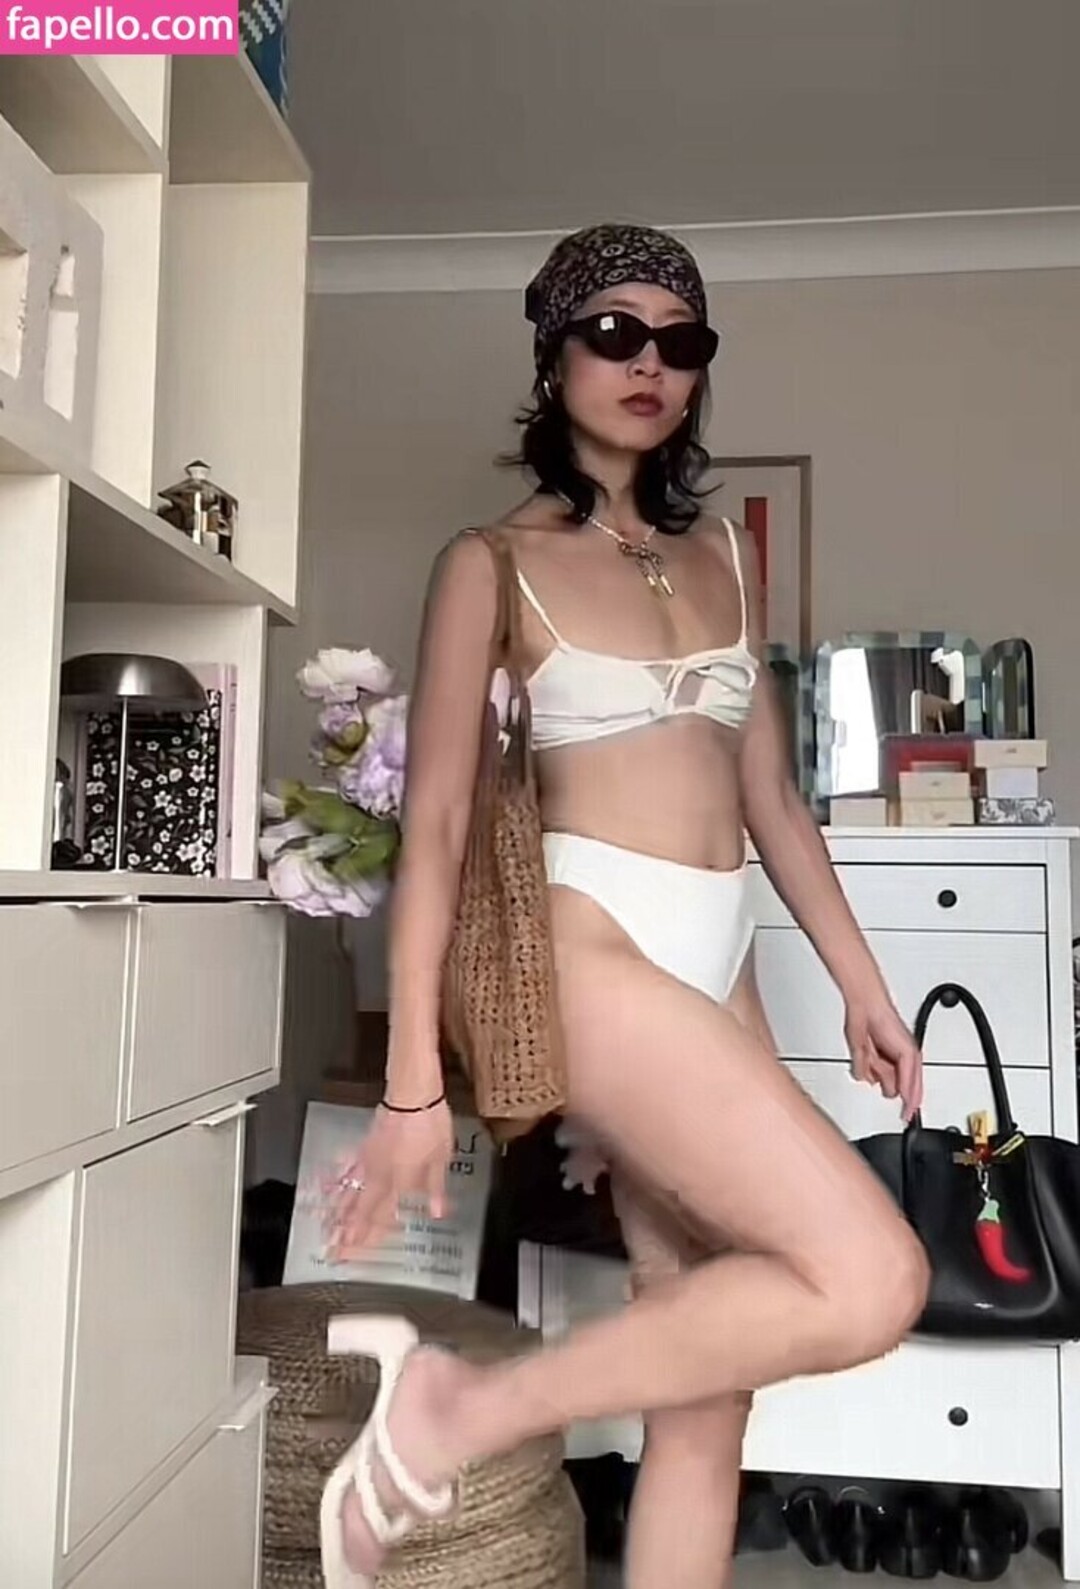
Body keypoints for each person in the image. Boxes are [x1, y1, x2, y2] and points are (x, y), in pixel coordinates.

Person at [320, 223, 929, 1589]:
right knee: (871, 1275)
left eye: (680, 341)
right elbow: (435, 829)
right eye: (614, 335)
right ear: (554, 360)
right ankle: (456, 1410)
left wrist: (863, 984)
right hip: (591, 942)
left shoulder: (723, 556)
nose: (650, 364)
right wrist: (413, 1080)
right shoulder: (489, 561)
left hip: (722, 959)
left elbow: (773, 802)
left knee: (707, 1387)